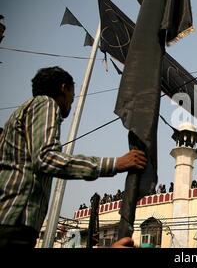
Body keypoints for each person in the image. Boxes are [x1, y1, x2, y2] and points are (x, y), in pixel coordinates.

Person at [0, 66, 147, 248]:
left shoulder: (22, 113)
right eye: (72, 95)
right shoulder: (45, 103)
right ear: (64, 88)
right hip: (15, 220)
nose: (72, 101)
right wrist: (115, 164)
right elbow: (46, 158)